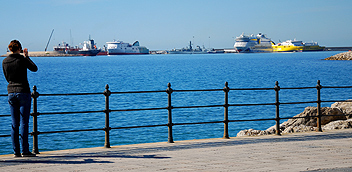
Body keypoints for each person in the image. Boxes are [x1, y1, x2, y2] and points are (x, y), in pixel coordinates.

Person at [2, 40, 38, 157]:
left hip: (11, 92)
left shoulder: (5, 61)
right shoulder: (22, 60)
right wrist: (26, 57)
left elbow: (7, 78)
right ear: (20, 49)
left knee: (14, 123)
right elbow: (34, 68)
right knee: (24, 123)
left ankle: (16, 151)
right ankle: (25, 150)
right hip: (23, 91)